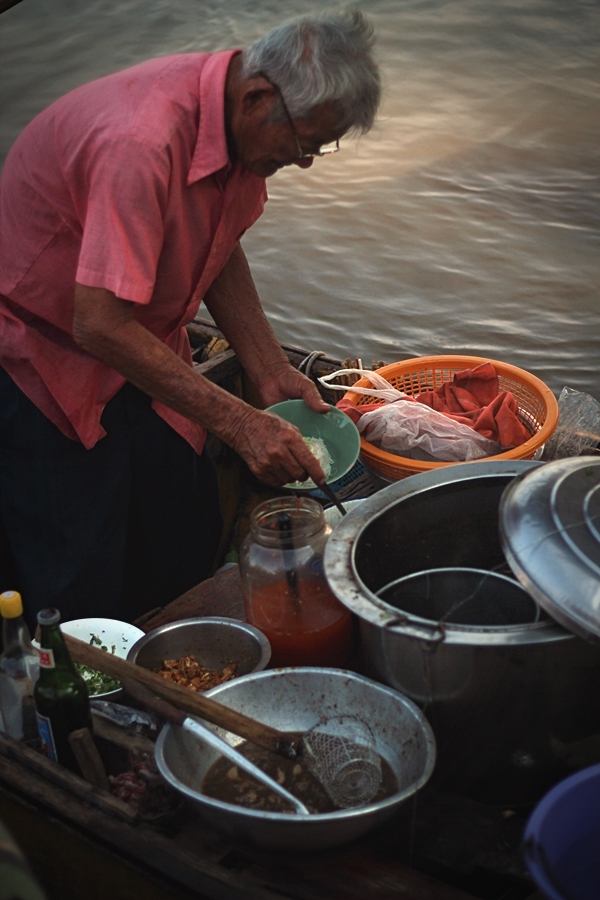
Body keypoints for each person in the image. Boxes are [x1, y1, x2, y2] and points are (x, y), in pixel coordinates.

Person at [0, 9, 381, 627]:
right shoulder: (141, 144)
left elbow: (217, 239)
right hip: (47, 359)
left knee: (186, 527)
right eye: (305, 143)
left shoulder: (232, 113)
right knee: (77, 577)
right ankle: (92, 699)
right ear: (259, 98)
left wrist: (268, 366)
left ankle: (174, 645)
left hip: (144, 344)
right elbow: (96, 322)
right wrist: (242, 423)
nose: (307, 162)